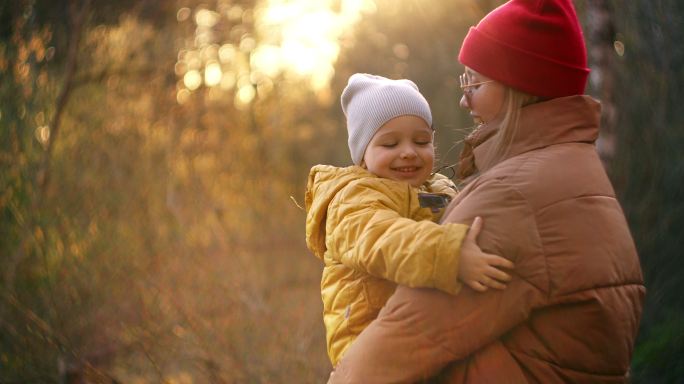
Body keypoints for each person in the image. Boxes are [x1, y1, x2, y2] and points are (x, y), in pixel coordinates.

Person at [328, 1, 645, 383]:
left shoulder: (514, 194)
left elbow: (397, 345)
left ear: (519, 83)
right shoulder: (574, 167)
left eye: (474, 82)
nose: (464, 99)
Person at [304, 73, 515, 367]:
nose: (408, 152)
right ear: (363, 156)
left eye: (421, 141)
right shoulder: (351, 199)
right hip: (370, 350)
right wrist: (451, 254)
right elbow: (383, 239)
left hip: (426, 338)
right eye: (390, 144)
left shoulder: (439, 188)